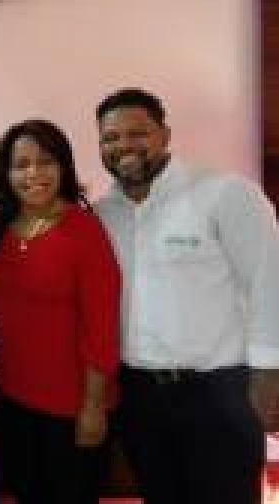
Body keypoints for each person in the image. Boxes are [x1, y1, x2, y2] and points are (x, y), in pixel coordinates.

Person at [94, 88, 279, 504]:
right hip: (138, 395)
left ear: (165, 135)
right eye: (111, 138)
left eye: (138, 133)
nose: (124, 145)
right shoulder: (104, 213)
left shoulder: (225, 193)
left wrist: (269, 373)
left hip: (218, 394)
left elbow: (269, 282)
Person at [0, 119, 121, 503]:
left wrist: (93, 406)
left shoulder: (84, 230)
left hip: (73, 407)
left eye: (45, 162)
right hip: (12, 400)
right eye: (21, 165)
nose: (33, 174)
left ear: (63, 167)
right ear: (5, 174)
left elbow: (102, 326)